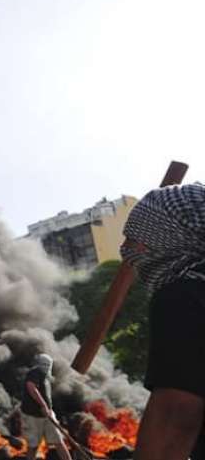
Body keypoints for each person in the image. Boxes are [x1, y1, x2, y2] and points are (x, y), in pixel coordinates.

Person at [120, 183, 205, 460]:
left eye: (135, 239)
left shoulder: (184, 293)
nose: (126, 251)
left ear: (169, 235)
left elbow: (176, 415)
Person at [21, 353, 71, 460]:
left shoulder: (45, 377)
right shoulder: (35, 372)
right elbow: (31, 387)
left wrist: (48, 409)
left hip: (47, 414)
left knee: (59, 441)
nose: (48, 367)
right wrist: (43, 405)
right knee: (33, 446)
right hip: (33, 416)